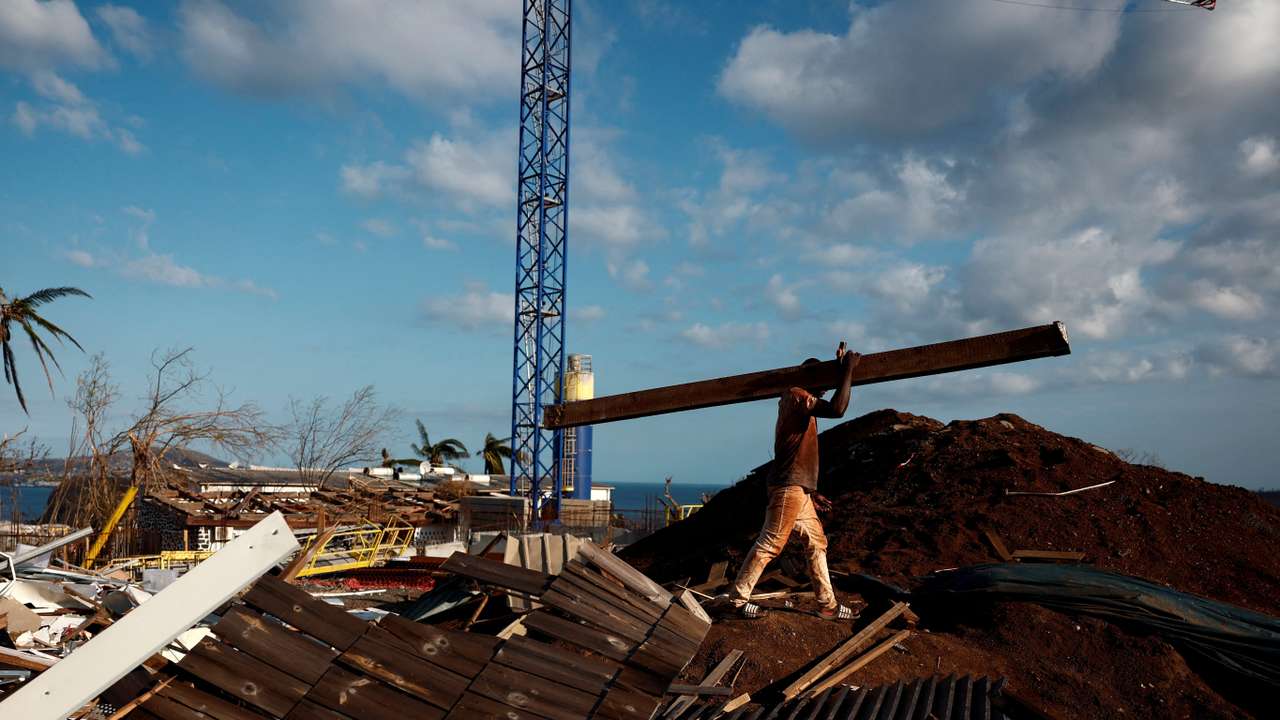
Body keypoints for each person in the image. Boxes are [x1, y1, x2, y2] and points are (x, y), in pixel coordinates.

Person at [723, 343, 861, 621]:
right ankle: (736, 601)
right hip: (788, 487)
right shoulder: (795, 396)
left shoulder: (803, 405)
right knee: (770, 543)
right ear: (809, 379)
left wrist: (811, 491)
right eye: (820, 382)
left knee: (816, 542)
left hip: (799, 489)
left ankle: (828, 604)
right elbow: (838, 409)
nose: (824, 389)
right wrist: (848, 371)